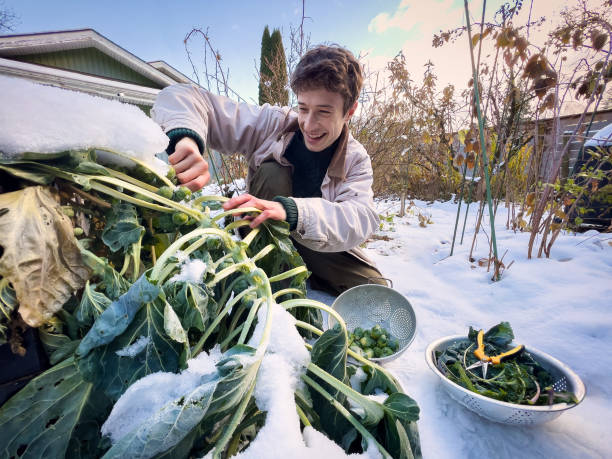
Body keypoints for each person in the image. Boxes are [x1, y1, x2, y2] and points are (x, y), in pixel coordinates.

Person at [151, 45, 386, 295]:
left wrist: (293, 212)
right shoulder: (273, 124)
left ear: (350, 111)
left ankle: (308, 271)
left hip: (316, 241)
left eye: (324, 112)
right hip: (262, 231)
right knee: (272, 172)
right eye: (303, 108)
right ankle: (270, 286)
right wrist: (187, 140)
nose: (308, 124)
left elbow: (361, 217)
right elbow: (180, 95)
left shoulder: (356, 159)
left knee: (377, 291)